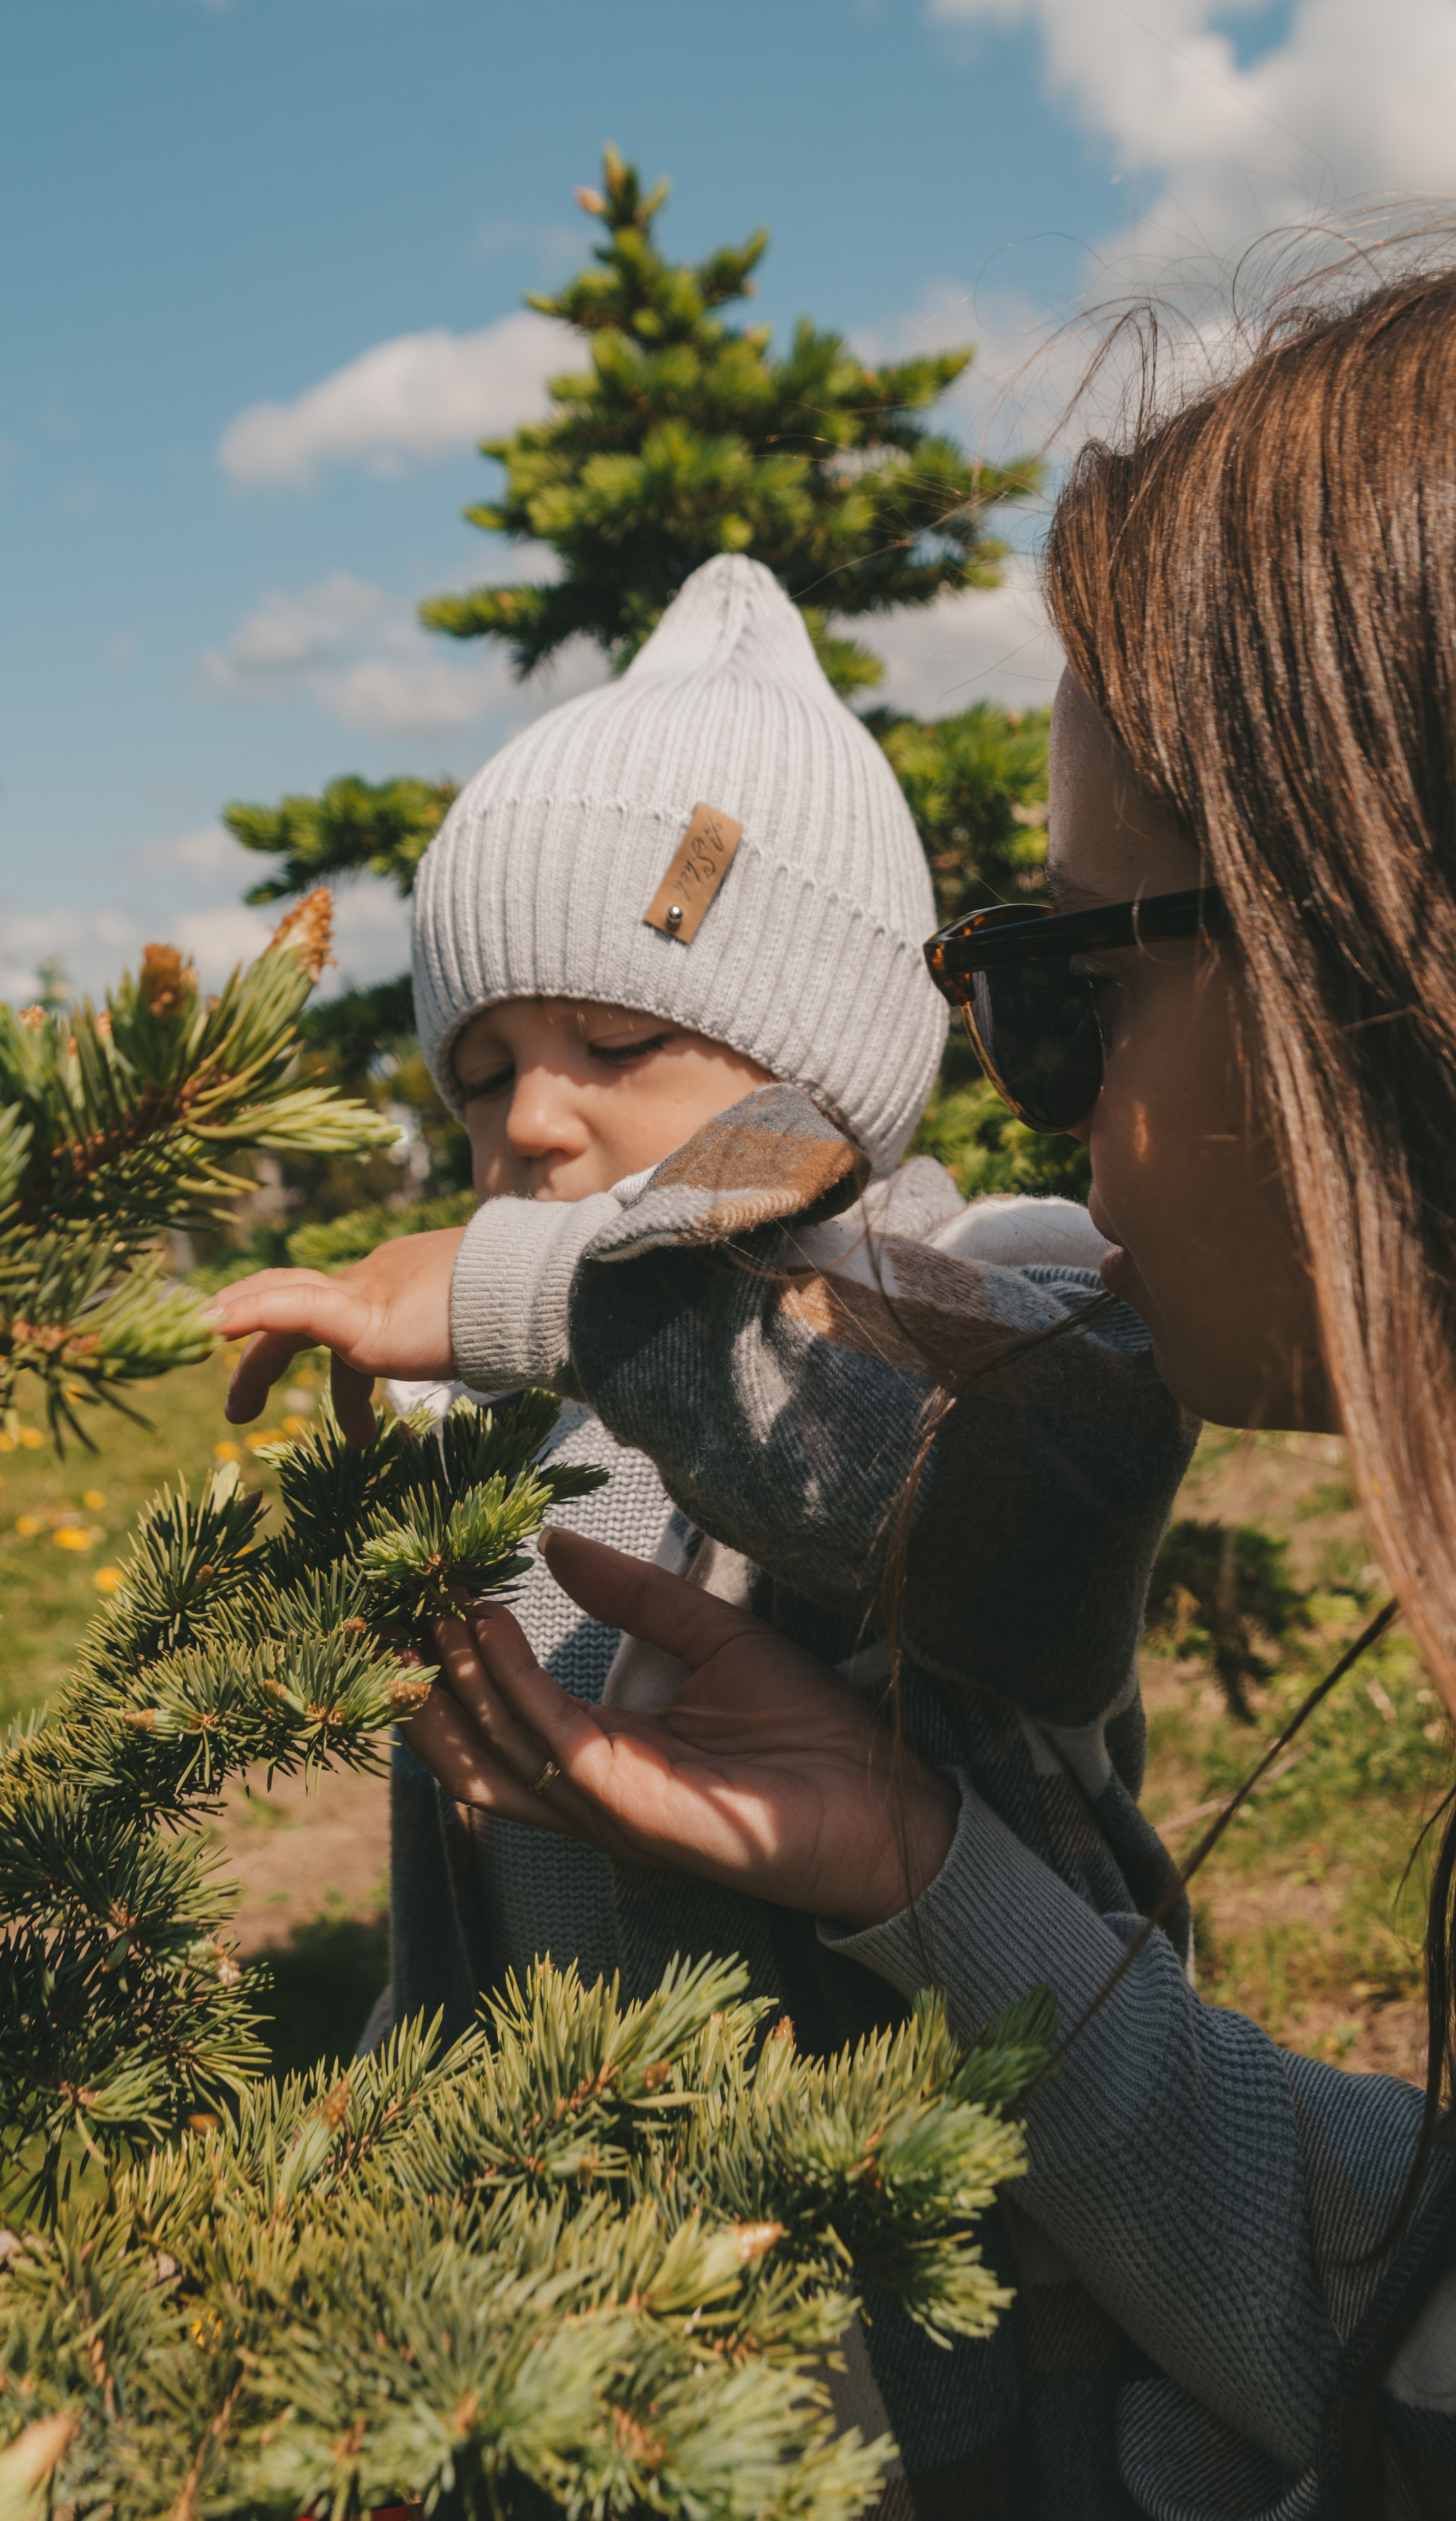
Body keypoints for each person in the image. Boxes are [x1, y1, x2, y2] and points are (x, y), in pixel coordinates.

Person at [208, 551, 1201, 2514]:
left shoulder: (974, 1289)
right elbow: (455, 1940)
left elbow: (1018, 1543)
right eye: (485, 1071)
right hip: (598, 2333)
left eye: (614, 1043)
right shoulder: (519, 1436)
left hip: (961, 2312)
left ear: (814, 1058)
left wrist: (554, 1290)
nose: (536, 1124)